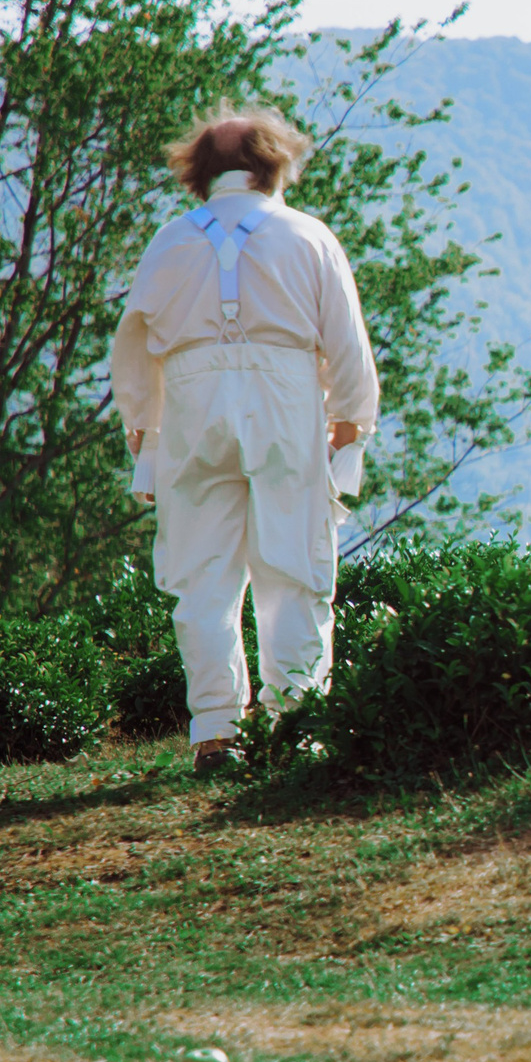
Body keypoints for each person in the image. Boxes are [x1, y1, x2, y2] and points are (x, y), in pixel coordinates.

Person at [109, 105, 380, 772]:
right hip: (283, 397)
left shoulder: (170, 242)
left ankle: (217, 732)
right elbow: (347, 344)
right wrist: (349, 427)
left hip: (192, 404)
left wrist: (147, 437)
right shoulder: (308, 235)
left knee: (201, 577)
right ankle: (295, 728)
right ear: (272, 163)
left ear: (199, 172)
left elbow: (133, 344)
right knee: (294, 569)